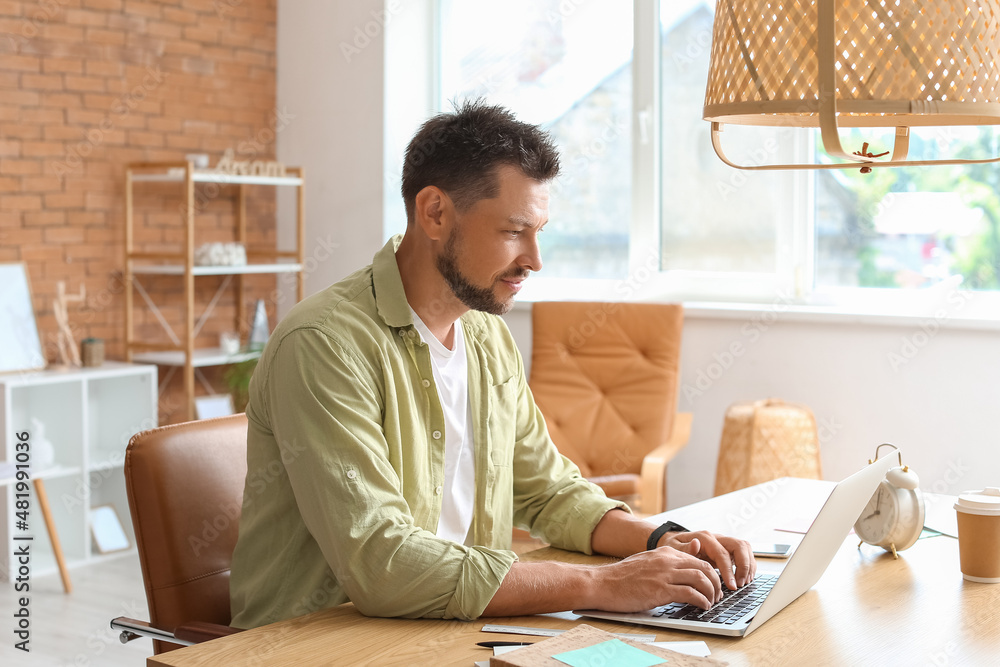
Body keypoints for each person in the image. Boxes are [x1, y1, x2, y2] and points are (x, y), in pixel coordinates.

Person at [229, 100, 755, 629]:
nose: (534, 259)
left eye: (538, 231)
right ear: (434, 213)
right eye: (513, 231)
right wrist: (600, 584)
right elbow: (382, 562)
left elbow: (546, 491)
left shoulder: (486, 336)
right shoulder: (324, 345)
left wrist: (660, 538)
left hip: (452, 629)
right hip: (322, 644)